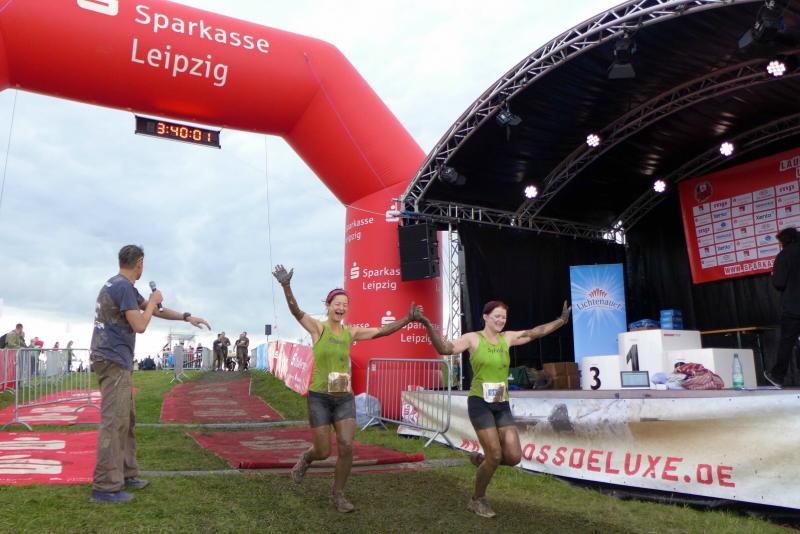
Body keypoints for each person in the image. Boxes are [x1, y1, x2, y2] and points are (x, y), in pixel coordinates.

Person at [272, 264, 420, 513]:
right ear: (328, 306)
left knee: (347, 445)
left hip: (344, 398)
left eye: (344, 305)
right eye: (336, 304)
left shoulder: (351, 332)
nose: (341, 308)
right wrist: (286, 285)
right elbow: (296, 311)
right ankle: (307, 458)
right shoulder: (317, 328)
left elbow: (382, 331)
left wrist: (408, 319)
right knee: (323, 451)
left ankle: (338, 494)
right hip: (319, 398)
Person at [415, 299, 571, 518]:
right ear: (485, 317)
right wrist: (427, 324)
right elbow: (445, 348)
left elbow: (535, 332)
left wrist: (560, 321)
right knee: (496, 454)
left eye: (504, 317)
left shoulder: (507, 338)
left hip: (501, 403)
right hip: (480, 403)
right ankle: (477, 499)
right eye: (497, 316)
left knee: (513, 457)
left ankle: (483, 460)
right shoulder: (472, 338)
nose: (501, 320)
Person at [89, 244, 211, 504]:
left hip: (113, 359)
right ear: (140, 263)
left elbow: (154, 311)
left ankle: (126, 473)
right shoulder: (123, 287)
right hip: (113, 360)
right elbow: (141, 324)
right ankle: (105, 487)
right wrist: (154, 300)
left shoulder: (121, 286)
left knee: (127, 419)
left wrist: (186, 317)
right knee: (115, 422)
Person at [765, 227, 800, 388]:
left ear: (784, 240)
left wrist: (774, 276)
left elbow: (779, 283)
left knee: (787, 342)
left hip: (794, 307)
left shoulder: (784, 255)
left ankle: (777, 376)